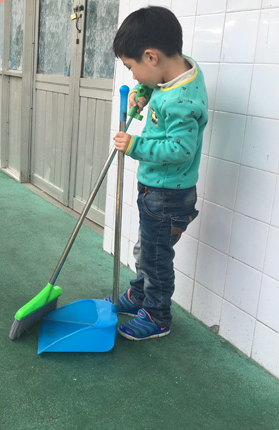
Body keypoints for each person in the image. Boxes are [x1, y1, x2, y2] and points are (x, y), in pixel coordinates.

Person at [107, 6, 208, 340]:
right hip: (159, 190)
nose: (133, 76)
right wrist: (144, 93)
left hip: (167, 196)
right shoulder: (179, 69)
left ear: (150, 57)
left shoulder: (181, 101)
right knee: (146, 249)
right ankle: (139, 295)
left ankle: (157, 315)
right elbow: (159, 82)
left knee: (155, 257)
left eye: (131, 67)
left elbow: (181, 149)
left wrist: (134, 145)